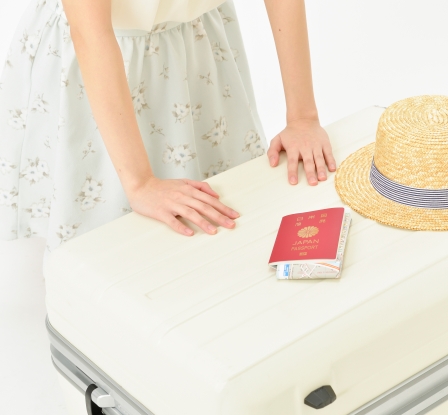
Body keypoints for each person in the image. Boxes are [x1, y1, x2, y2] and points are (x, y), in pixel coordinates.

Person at [0, 0, 335, 271]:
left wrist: (303, 116)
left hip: (196, 42)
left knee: (221, 220)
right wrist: (140, 182)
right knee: (108, 256)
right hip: (103, 57)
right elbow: (90, 32)